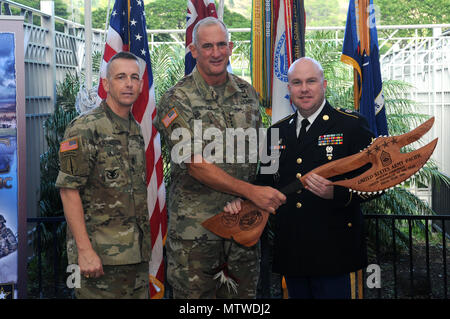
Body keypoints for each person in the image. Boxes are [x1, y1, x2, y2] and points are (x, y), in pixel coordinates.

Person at [155, 17, 286, 299]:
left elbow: (260, 154)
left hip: (244, 227)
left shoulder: (247, 93)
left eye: (221, 45)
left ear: (231, 47)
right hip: (196, 233)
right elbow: (194, 163)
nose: (216, 52)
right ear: (193, 50)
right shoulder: (178, 98)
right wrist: (250, 191)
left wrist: (252, 197)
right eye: (207, 46)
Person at [225, 57, 377, 299]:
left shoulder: (351, 126)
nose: (304, 89)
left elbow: (376, 182)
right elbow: (265, 184)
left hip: (335, 252)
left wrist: (336, 193)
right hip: (293, 250)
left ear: (324, 84)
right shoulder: (276, 132)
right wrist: (243, 201)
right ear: (289, 89)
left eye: (311, 81)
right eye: (297, 82)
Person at [56, 52, 151, 299]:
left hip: (135, 258)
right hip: (98, 261)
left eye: (134, 78)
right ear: (107, 84)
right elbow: (68, 190)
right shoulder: (85, 128)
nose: (129, 83)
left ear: (141, 85)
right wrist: (84, 251)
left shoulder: (135, 130)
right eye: (120, 77)